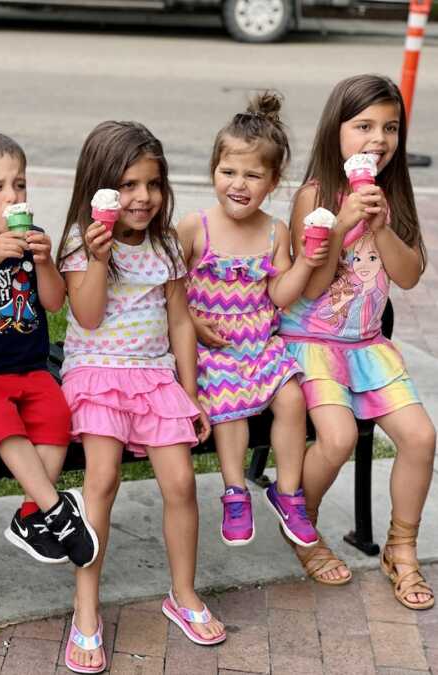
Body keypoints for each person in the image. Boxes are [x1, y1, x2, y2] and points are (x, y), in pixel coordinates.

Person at [57, 120, 225, 672]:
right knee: (100, 480)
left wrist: (190, 391)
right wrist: (100, 257)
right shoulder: (83, 243)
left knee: (180, 482)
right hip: (97, 372)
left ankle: (183, 594)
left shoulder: (167, 245)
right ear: (100, 187)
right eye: (128, 185)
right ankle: (86, 610)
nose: (144, 198)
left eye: (152, 184)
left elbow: (180, 321)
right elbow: (85, 315)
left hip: (154, 377)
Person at [280, 74, 434, 610]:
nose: (378, 138)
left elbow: (409, 276)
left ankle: (401, 548)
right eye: (363, 125)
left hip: (368, 346)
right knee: (339, 437)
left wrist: (382, 225)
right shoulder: (314, 197)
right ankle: (303, 523)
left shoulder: (392, 195)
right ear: (335, 132)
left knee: (420, 437)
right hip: (310, 341)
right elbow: (312, 285)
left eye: (390, 127)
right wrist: (343, 226)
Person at [0, 130, 98, 569]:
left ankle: (30, 515)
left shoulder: (34, 237)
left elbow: (52, 302)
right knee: (3, 423)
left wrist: (46, 262)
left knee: (56, 419)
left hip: (30, 365)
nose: (12, 196)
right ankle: (56, 509)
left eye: (20, 184)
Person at [179, 92, 325, 549]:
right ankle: (235, 490)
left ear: (273, 182)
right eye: (228, 172)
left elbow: (279, 294)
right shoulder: (194, 227)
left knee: (292, 399)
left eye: (252, 175)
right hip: (213, 349)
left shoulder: (275, 230)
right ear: (214, 172)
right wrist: (188, 322)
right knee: (231, 410)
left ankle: (288, 493)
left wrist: (306, 262)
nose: (238, 184)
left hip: (261, 344)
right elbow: (167, 290)